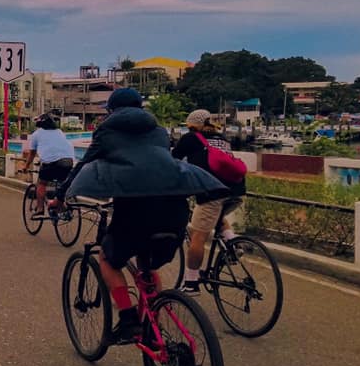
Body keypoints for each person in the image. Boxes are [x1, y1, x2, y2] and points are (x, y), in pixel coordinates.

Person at [56, 89, 227, 342]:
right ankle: (152, 321)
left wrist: (60, 195)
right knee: (145, 265)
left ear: (112, 110)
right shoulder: (159, 131)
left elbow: (85, 164)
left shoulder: (106, 131)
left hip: (136, 209)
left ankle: (128, 320)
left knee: (107, 259)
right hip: (175, 208)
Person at [172, 109, 247, 294]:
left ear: (192, 125)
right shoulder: (222, 138)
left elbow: (172, 160)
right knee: (217, 216)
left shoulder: (191, 138)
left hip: (212, 191)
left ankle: (191, 284)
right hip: (236, 190)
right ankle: (233, 243)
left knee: (198, 236)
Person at [19, 113, 76, 217]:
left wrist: (26, 166)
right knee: (61, 183)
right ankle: (60, 205)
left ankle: (40, 209)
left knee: (42, 183)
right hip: (68, 161)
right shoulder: (59, 132)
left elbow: (32, 154)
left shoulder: (37, 134)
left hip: (51, 163)